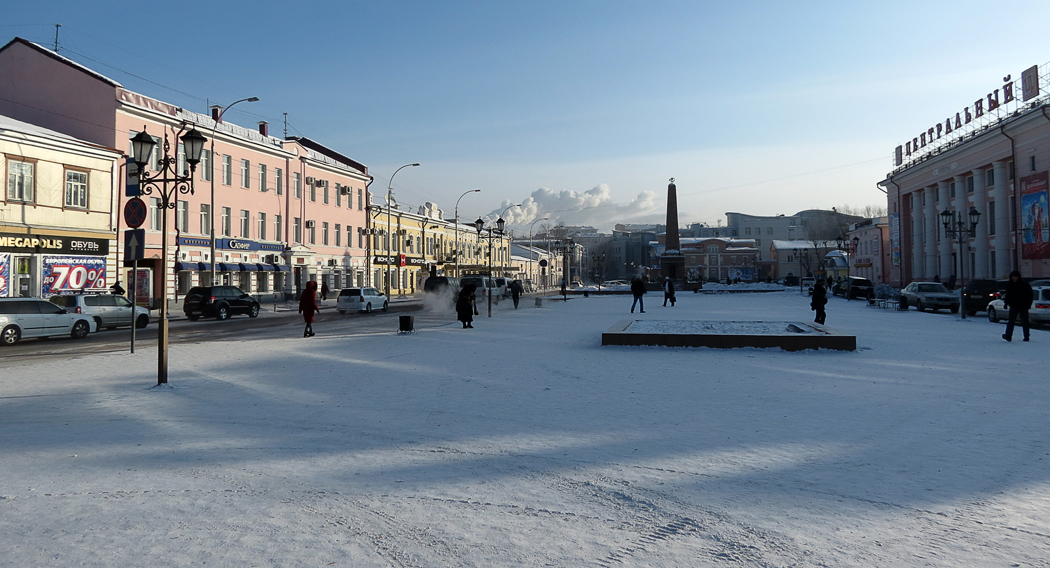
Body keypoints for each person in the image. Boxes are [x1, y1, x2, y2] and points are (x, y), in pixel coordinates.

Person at [1002, 270, 1033, 342]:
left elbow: (1030, 295)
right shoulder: (1010, 284)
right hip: (1014, 305)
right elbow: (1008, 295)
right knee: (1011, 321)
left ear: (1018, 277)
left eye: (1015, 277)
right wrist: (1006, 303)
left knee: (1024, 321)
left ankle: (1026, 336)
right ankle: (1008, 335)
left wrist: (1028, 304)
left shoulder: (1024, 285)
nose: (1014, 278)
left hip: (1023, 305)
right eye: (1013, 277)